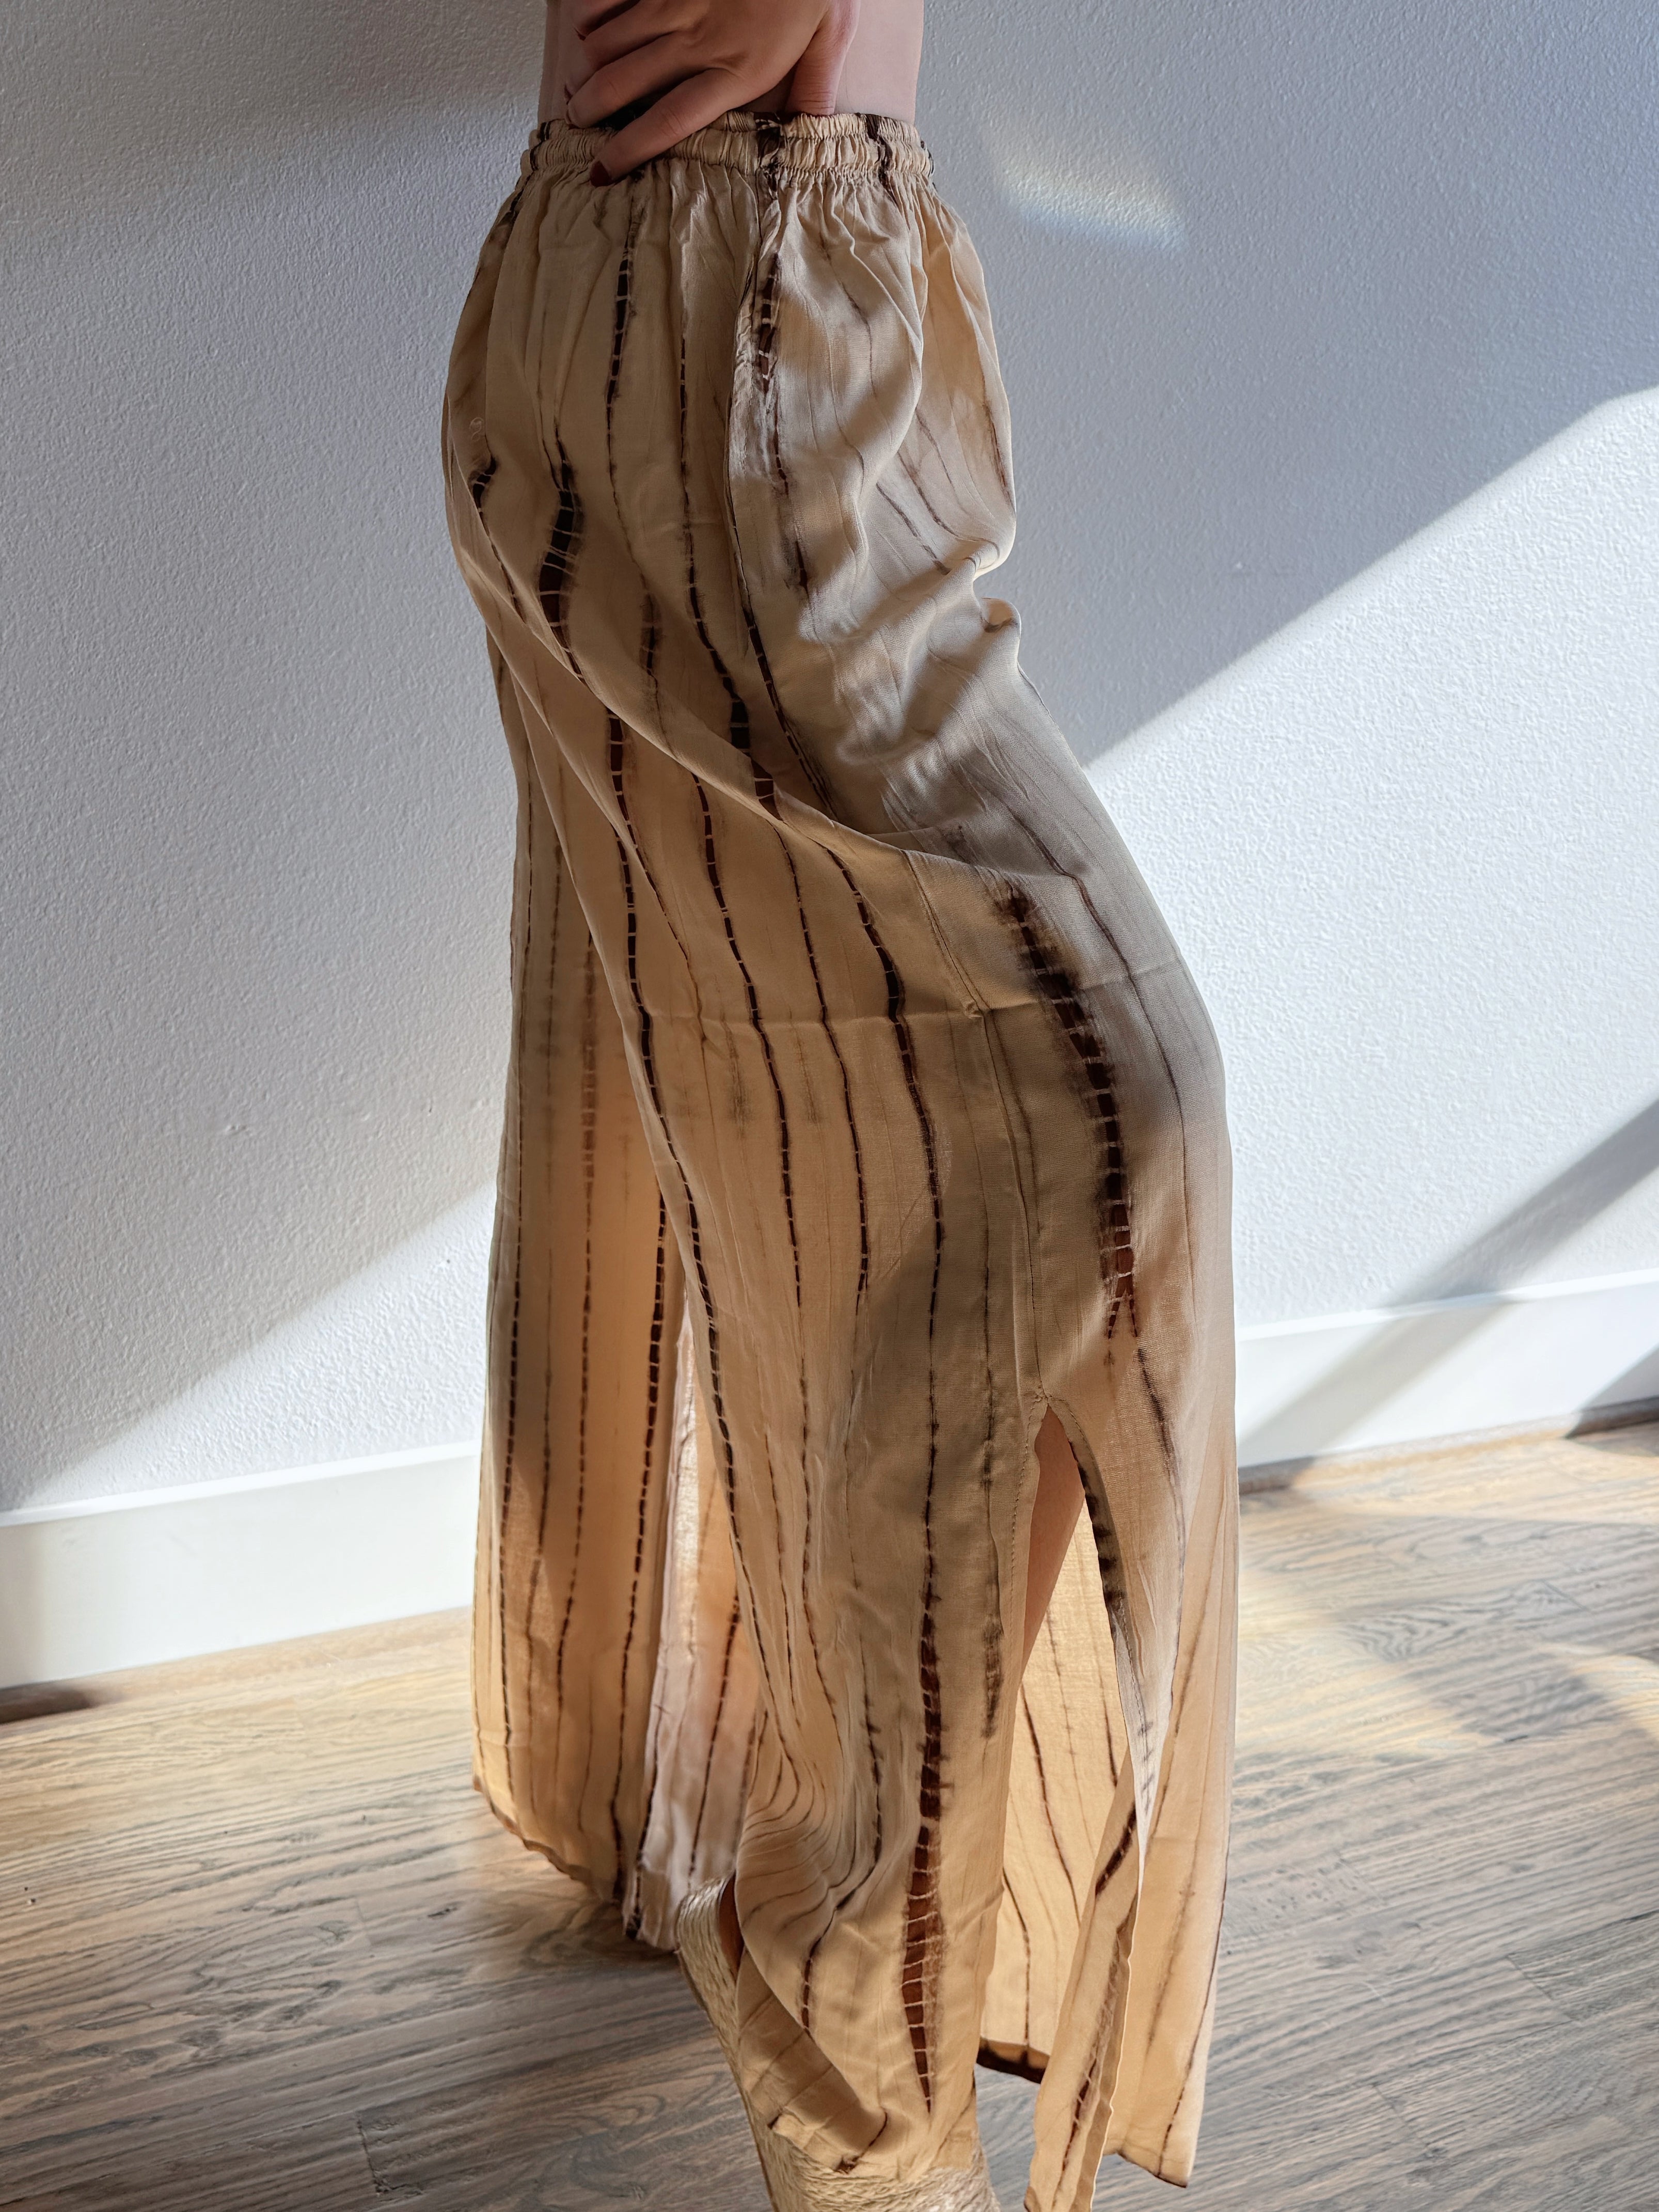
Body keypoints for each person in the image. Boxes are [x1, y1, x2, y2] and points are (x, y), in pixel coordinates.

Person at [440, 4, 1239, 2207]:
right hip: (727, 305)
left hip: (713, 285)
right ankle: (859, 2087)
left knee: (712, 1101)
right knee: (1105, 1095)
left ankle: (670, 1787)